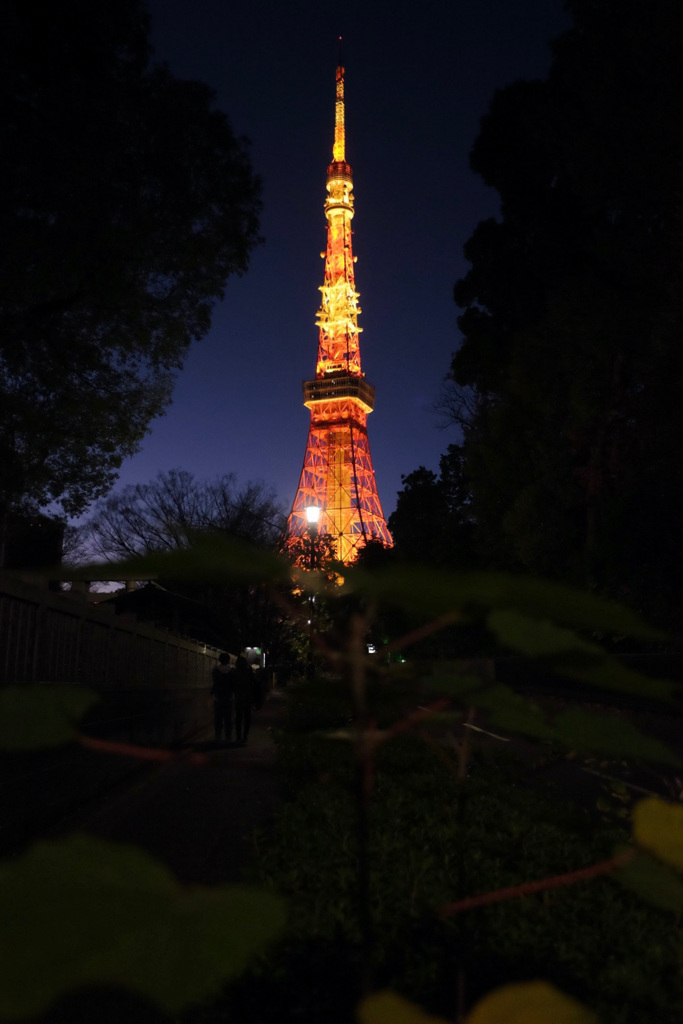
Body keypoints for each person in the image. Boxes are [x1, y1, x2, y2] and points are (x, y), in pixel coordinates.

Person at [232, 655, 258, 745]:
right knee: (247, 719)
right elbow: (254, 686)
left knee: (238, 718)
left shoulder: (234, 673)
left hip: (238, 698)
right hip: (248, 698)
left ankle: (238, 737)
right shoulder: (250, 673)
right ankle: (245, 737)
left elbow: (232, 686)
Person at [211, 652, 234, 743]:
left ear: (220, 660)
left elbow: (215, 682)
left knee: (218, 718)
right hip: (229, 697)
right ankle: (228, 736)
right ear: (228, 660)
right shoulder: (232, 671)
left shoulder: (216, 670)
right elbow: (233, 684)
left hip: (218, 697)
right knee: (228, 718)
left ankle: (218, 735)